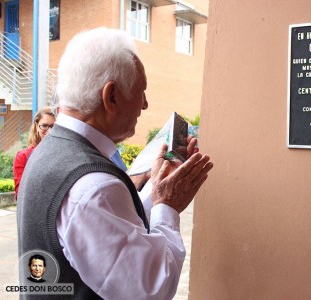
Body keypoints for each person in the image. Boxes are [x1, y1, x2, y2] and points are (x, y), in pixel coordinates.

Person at [17, 27, 213, 299]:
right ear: (111, 96)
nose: (145, 104)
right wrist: (167, 206)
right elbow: (151, 289)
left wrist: (155, 188)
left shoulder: (52, 148)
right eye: (141, 91)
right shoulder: (94, 188)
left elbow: (117, 224)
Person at [12, 107, 55, 199]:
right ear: (36, 126)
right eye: (44, 126)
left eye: (54, 127)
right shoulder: (23, 156)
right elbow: (20, 194)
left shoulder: (66, 154)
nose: (50, 131)